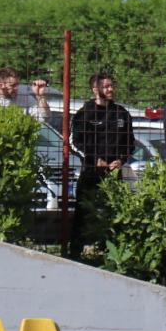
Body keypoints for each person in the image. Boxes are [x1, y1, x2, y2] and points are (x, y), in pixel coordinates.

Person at [68, 72, 136, 252]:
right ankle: (75, 251)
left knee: (115, 212)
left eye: (112, 86)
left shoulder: (121, 113)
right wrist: (94, 158)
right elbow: (75, 142)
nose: (111, 89)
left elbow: (131, 143)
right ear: (95, 89)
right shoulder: (84, 114)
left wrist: (121, 160)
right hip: (90, 172)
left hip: (114, 173)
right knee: (83, 212)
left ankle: (113, 253)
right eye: (106, 87)